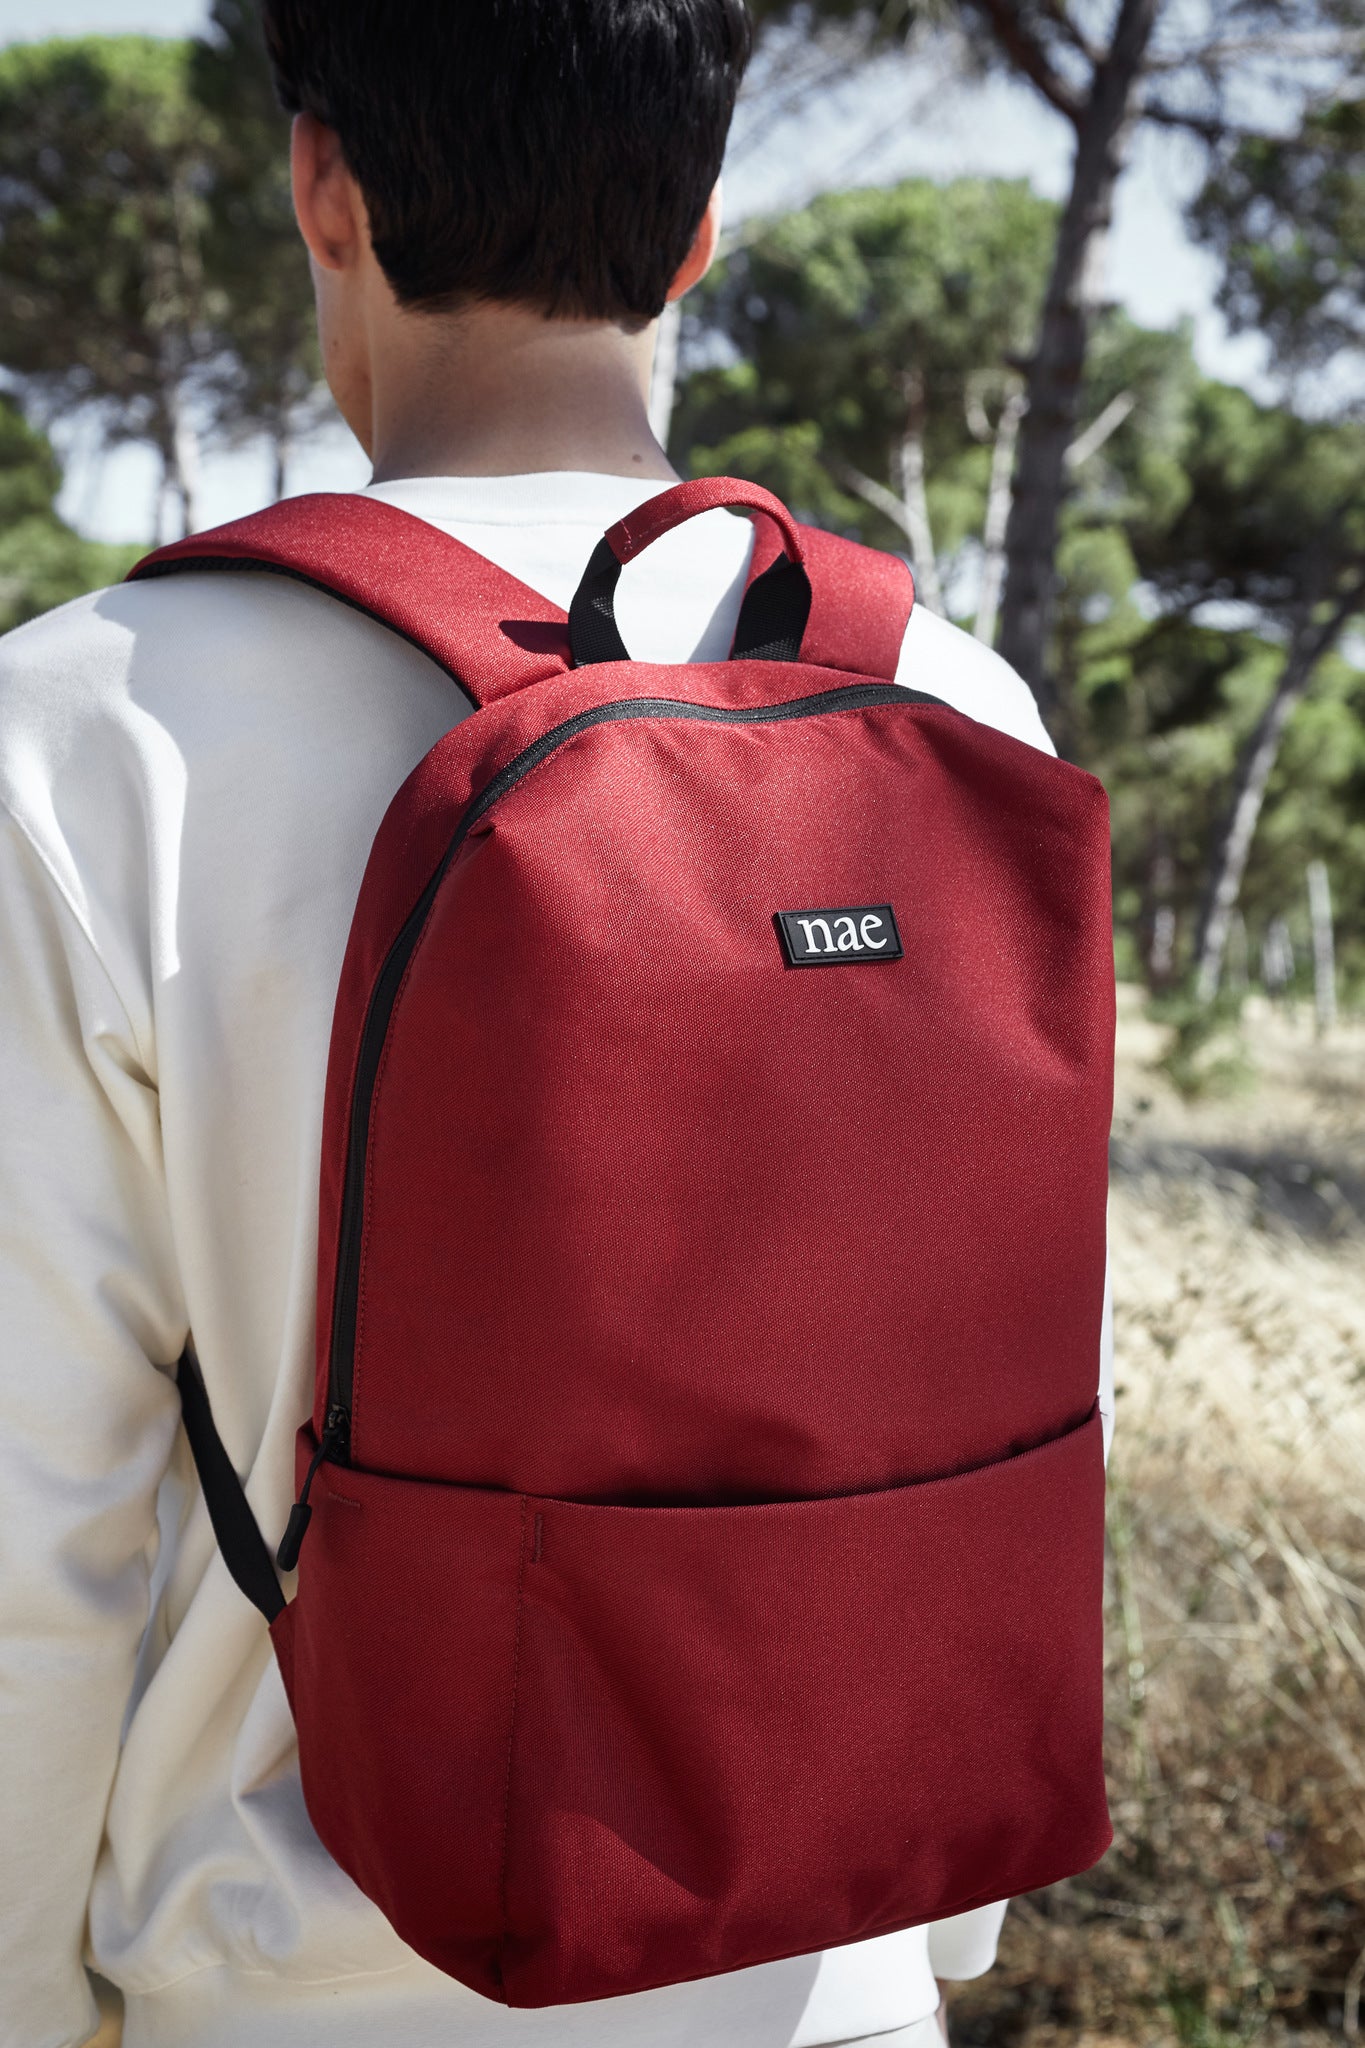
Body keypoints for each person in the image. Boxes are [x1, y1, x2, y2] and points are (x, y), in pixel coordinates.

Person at [0, 4, 1113, 2045]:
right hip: (833, 1966)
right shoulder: (957, 709)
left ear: (319, 189)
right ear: (701, 225)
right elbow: (1024, 1363)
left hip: (309, 1984)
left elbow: (28, 1516)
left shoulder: (84, 733)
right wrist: (927, 1924)